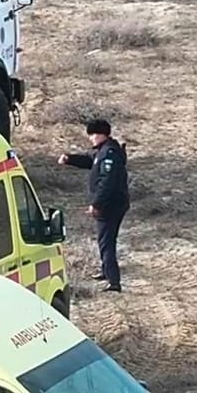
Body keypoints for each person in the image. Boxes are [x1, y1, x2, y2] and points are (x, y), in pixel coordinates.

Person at [58, 118, 130, 293]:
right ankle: (107, 272)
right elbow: (91, 161)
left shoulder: (109, 154)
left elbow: (108, 182)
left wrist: (96, 203)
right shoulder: (103, 151)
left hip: (111, 205)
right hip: (110, 204)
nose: (91, 138)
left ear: (102, 134)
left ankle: (114, 281)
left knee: (107, 242)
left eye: (93, 134)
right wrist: (70, 159)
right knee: (104, 240)